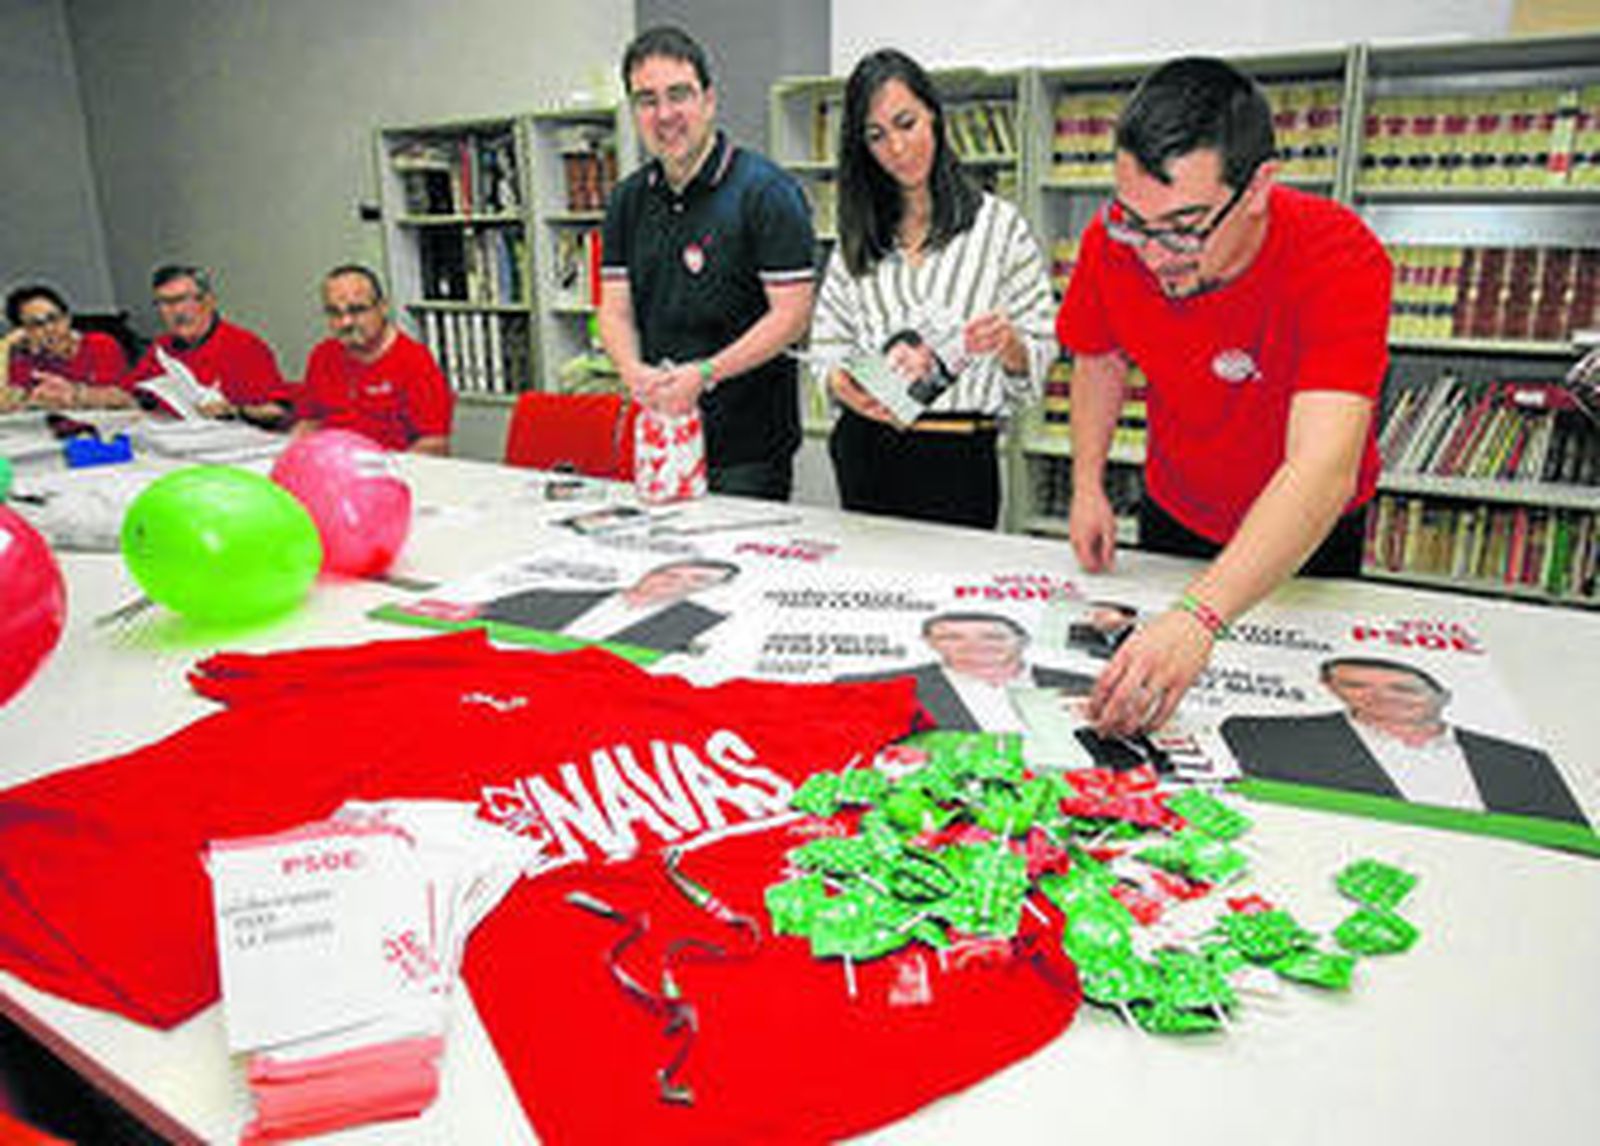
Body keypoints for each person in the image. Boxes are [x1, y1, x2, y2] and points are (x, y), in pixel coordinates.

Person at [1055, 57, 1392, 737]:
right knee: (1170, 727)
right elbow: (1099, 355)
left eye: (1185, 226)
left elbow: (1322, 467)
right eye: (1134, 222)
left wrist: (1200, 616)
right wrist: (1086, 482)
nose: (1153, 254)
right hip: (1177, 509)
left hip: (1308, 536)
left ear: (1260, 184)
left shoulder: (1339, 256)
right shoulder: (1113, 243)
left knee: (1294, 727)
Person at [813, 49, 1056, 529]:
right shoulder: (858, 232)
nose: (897, 149)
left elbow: (1044, 343)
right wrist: (841, 382)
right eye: (877, 136)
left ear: (935, 117)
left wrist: (1010, 345)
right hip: (867, 451)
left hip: (959, 457)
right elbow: (826, 344)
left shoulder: (1000, 227)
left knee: (953, 596)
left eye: (907, 124)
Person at [598, 25, 816, 500]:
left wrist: (705, 374)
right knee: (661, 567)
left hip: (747, 450)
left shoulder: (767, 192)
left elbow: (793, 315)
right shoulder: (626, 200)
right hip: (662, 432)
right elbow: (614, 310)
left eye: (679, 95)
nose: (665, 114)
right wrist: (632, 370)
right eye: (647, 100)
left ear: (709, 100)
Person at [1220, 657, 1588, 825]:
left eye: (1404, 689)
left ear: (1443, 696)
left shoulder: (1526, 762)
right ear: (1330, 689)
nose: (1381, 698)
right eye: (1355, 685)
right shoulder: (1266, 737)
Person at [841, 611, 1092, 732]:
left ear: (1023, 641)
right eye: (952, 637)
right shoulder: (871, 687)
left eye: (992, 637)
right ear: (930, 643)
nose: (974, 646)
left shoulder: (1088, 685)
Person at [296, 264, 454, 455]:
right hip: (334, 468)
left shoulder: (415, 360)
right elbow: (310, 421)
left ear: (383, 307)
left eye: (357, 310)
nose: (346, 322)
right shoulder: (322, 356)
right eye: (334, 312)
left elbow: (435, 443)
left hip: (393, 472)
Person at [122, 265, 293, 425]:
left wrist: (234, 411)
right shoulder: (162, 347)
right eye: (164, 303)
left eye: (182, 300)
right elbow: (133, 392)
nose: (177, 311)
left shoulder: (244, 346)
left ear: (209, 302)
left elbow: (278, 412)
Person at [475, 558, 737, 653]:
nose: (675, 584)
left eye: (697, 581)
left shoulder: (705, 626)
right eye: (669, 575)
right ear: (647, 573)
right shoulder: (544, 597)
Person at [3, 284, 131, 411]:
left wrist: (74, 393)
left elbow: (123, 398)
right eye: (36, 324)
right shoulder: (25, 358)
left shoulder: (100, 344)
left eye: (53, 318)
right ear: (24, 331)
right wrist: (6, 344)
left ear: (67, 318)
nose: (49, 329)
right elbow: (5, 402)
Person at [1066, 600, 1139, 661]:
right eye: (1094, 610)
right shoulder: (1077, 633)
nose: (1095, 616)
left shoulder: (1139, 637)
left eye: (1104, 612)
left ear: (1127, 616)